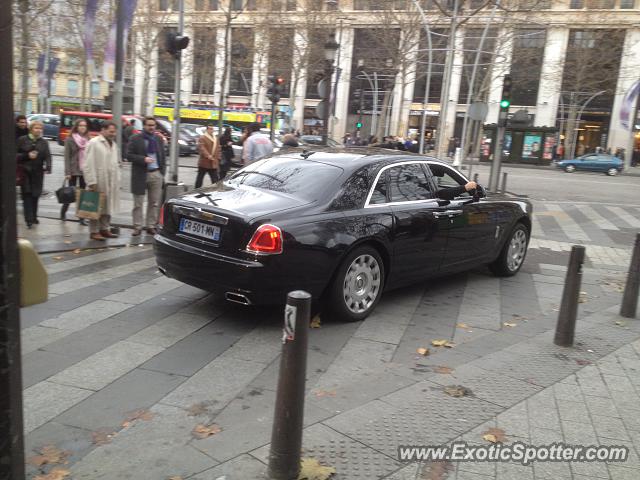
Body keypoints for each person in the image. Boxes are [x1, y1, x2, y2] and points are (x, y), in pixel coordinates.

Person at [127, 116, 166, 236]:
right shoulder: (135, 138)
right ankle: (137, 227)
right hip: (140, 174)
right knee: (138, 203)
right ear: (144, 126)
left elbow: (163, 156)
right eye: (149, 125)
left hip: (156, 174)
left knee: (154, 203)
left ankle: (151, 226)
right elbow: (128, 155)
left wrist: (161, 173)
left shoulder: (158, 139)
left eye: (153, 125)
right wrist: (143, 159)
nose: (151, 127)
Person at [83, 121, 121, 241]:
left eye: (114, 132)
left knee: (107, 206)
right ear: (103, 130)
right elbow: (88, 164)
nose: (113, 134)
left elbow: (116, 163)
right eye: (111, 131)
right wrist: (91, 181)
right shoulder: (94, 143)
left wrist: (118, 179)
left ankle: (104, 228)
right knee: (95, 206)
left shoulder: (114, 145)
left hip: (111, 180)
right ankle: (93, 231)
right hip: (98, 180)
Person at [16, 120, 51, 228]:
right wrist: (27, 156)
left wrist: (48, 166)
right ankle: (29, 219)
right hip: (25, 172)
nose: (38, 130)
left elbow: (48, 155)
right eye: (36, 128)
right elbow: (16, 154)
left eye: (40, 128)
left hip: (38, 172)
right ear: (31, 129)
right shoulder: (23, 140)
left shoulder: (44, 142)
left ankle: (34, 216)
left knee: (35, 195)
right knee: (27, 195)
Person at [62, 118, 90, 224]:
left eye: (84, 126)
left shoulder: (88, 138)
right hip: (73, 170)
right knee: (71, 194)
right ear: (76, 127)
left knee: (82, 194)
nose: (83, 127)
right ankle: (63, 212)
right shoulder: (70, 139)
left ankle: (81, 218)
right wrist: (67, 172)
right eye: (81, 125)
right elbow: (67, 157)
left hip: (84, 169)